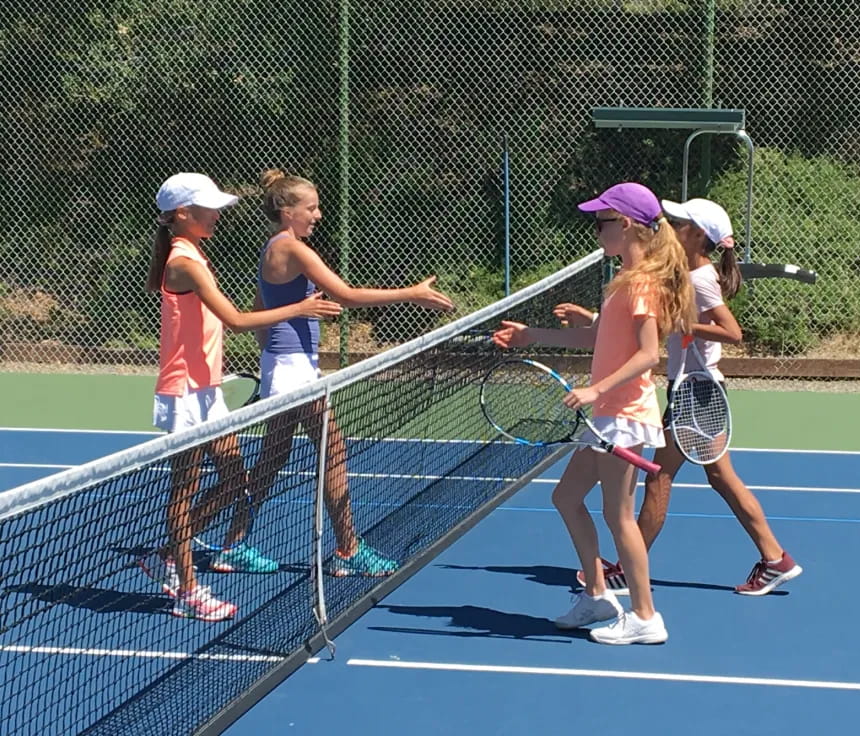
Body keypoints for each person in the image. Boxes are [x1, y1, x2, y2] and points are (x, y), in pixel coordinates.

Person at [566, 197, 802, 596]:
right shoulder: (686, 276)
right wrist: (594, 322)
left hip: (697, 392)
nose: (669, 227)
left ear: (695, 235)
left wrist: (686, 324)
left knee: (660, 478)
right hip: (694, 390)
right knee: (718, 477)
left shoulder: (700, 279)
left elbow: (732, 332)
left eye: (677, 222)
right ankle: (775, 557)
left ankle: (627, 569)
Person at [493, 182, 695, 645]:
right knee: (566, 498)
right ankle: (598, 594)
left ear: (624, 225)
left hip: (623, 413)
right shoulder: (621, 281)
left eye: (602, 221)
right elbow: (597, 339)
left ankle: (645, 616)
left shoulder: (642, 284)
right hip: (607, 414)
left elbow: (648, 354)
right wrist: (532, 335)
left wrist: (596, 388)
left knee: (618, 514)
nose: (597, 230)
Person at [140, 172, 342, 621]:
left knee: (237, 483)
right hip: (185, 394)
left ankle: (168, 553)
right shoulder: (184, 261)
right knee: (184, 490)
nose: (217, 215)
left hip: (207, 389)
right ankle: (188, 588)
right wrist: (302, 308)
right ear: (182, 214)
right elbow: (233, 319)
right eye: (208, 208)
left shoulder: (194, 252)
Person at [234, 169, 455, 577]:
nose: (318, 215)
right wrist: (413, 294)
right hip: (293, 372)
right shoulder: (293, 249)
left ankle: (234, 542)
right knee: (332, 452)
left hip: (289, 367)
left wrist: (275, 359)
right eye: (311, 208)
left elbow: (257, 308)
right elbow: (346, 295)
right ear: (287, 212)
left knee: (272, 460)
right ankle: (348, 549)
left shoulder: (274, 248)